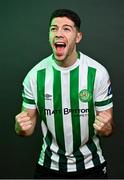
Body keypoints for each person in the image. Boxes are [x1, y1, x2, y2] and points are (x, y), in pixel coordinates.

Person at [15, 9, 114, 179]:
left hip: (91, 166)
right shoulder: (34, 76)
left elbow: (108, 126)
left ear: (78, 37)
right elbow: (26, 128)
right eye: (54, 29)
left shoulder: (97, 73)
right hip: (48, 167)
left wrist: (107, 128)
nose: (59, 33)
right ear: (48, 35)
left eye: (66, 28)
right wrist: (20, 127)